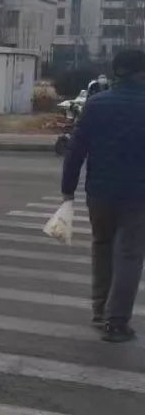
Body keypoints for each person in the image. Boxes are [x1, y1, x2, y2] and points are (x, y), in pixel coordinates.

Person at [62, 47, 145, 343]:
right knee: (129, 255)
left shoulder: (96, 104)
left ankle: (100, 312)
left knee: (102, 248)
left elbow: (76, 150)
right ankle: (116, 322)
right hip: (137, 195)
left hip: (99, 193)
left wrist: (67, 188)